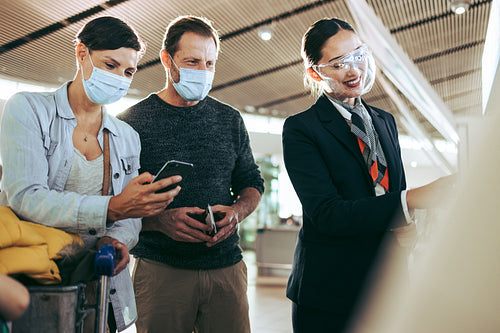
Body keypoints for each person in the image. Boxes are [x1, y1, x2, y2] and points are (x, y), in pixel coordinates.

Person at [0, 16, 181, 332]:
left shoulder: (126, 137)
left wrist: (118, 236)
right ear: (81, 53)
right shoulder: (28, 109)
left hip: (99, 281)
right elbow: (26, 197)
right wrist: (113, 208)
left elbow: (129, 216)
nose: (119, 78)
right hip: (34, 277)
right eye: (110, 65)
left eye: (128, 71)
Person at [282, 18, 455, 333]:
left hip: (387, 286)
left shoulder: (384, 120)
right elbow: (326, 214)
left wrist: (406, 222)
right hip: (329, 292)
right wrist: (410, 200)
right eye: (338, 63)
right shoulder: (302, 129)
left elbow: (391, 192)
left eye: (358, 56)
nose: (354, 70)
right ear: (314, 72)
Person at [118, 15, 264, 333]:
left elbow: (251, 181)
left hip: (226, 267)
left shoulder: (230, 120)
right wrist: (159, 222)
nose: (202, 71)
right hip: (160, 271)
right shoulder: (130, 123)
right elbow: (113, 206)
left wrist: (237, 212)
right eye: (193, 61)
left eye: (209, 63)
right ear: (167, 60)